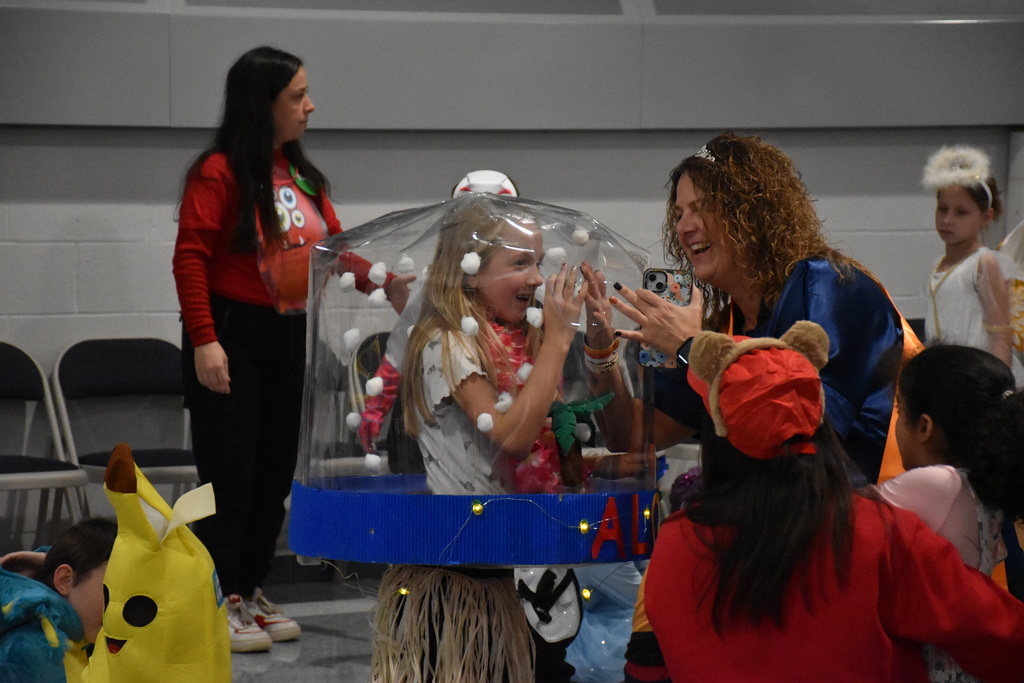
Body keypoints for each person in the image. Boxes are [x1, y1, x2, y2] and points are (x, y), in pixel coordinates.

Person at [172, 45, 413, 653]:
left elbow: (330, 252)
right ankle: (216, 594)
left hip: (289, 335)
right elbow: (190, 258)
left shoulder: (300, 175)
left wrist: (383, 282)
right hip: (231, 335)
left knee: (274, 469)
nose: (311, 106)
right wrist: (205, 340)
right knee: (230, 474)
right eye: (297, 96)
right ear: (263, 104)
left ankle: (249, 588)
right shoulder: (219, 173)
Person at [643, 321, 1024, 682]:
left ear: (717, 434)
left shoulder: (674, 546)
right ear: (821, 424)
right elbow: (1004, 638)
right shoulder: (880, 536)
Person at [582, 132, 908, 486]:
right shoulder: (726, 325)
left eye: (701, 208)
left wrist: (690, 346)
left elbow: (797, 432)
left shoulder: (829, 288)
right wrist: (600, 349)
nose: (682, 227)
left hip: (874, 514)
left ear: (752, 212)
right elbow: (630, 436)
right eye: (678, 213)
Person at [371, 199, 588, 682]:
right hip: (455, 581)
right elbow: (510, 435)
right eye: (519, 262)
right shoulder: (446, 342)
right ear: (469, 272)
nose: (536, 278)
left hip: (507, 567)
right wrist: (556, 342)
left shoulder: (513, 340)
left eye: (538, 261)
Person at [871, 344, 1024, 681]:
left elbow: (844, 513)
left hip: (939, 665)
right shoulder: (982, 482)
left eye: (899, 410)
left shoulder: (937, 484)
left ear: (924, 427)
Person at [921, 145, 1024, 384]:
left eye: (961, 212)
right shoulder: (939, 264)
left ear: (986, 217)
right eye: (942, 209)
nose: (947, 220)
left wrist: (998, 389)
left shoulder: (983, 262)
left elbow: (1000, 335)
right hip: (951, 377)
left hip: (981, 379)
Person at [0, 518, 117, 682]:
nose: (120, 609)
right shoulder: (28, 649)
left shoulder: (91, 642)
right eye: (110, 589)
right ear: (65, 579)